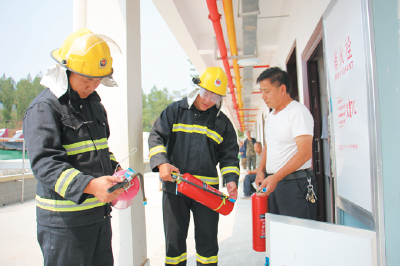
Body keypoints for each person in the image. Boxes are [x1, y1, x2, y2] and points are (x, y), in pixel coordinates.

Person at [23, 28, 125, 266]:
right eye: (86, 79)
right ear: (66, 70)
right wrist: (90, 185)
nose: (92, 86)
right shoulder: (45, 108)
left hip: (98, 217)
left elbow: (100, 149)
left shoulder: (94, 107)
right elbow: (45, 164)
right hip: (64, 225)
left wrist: (118, 171)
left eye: (98, 80)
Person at [148, 67, 239, 266]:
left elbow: (230, 155)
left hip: (207, 193)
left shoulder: (222, 123)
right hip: (175, 188)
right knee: (175, 243)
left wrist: (231, 180)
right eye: (206, 93)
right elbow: (156, 136)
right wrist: (162, 163)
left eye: (215, 97)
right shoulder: (175, 111)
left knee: (208, 243)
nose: (208, 100)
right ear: (197, 88)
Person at [255, 67, 317, 220]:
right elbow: (268, 147)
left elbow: (304, 154)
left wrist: (275, 177)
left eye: (267, 91)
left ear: (282, 89)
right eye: (261, 91)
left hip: (295, 184)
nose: (263, 96)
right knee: (277, 234)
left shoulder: (297, 112)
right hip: (274, 184)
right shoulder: (270, 117)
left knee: (296, 236)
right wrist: (260, 170)